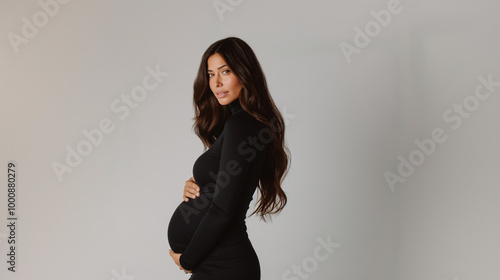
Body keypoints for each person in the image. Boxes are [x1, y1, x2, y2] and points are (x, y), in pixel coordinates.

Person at [167, 37, 290, 279]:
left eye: (225, 71)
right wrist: (197, 186)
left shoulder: (242, 124)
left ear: (245, 74)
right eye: (211, 74)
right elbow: (226, 187)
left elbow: (223, 210)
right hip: (219, 263)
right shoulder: (242, 124)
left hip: (224, 266)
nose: (217, 83)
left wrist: (187, 259)